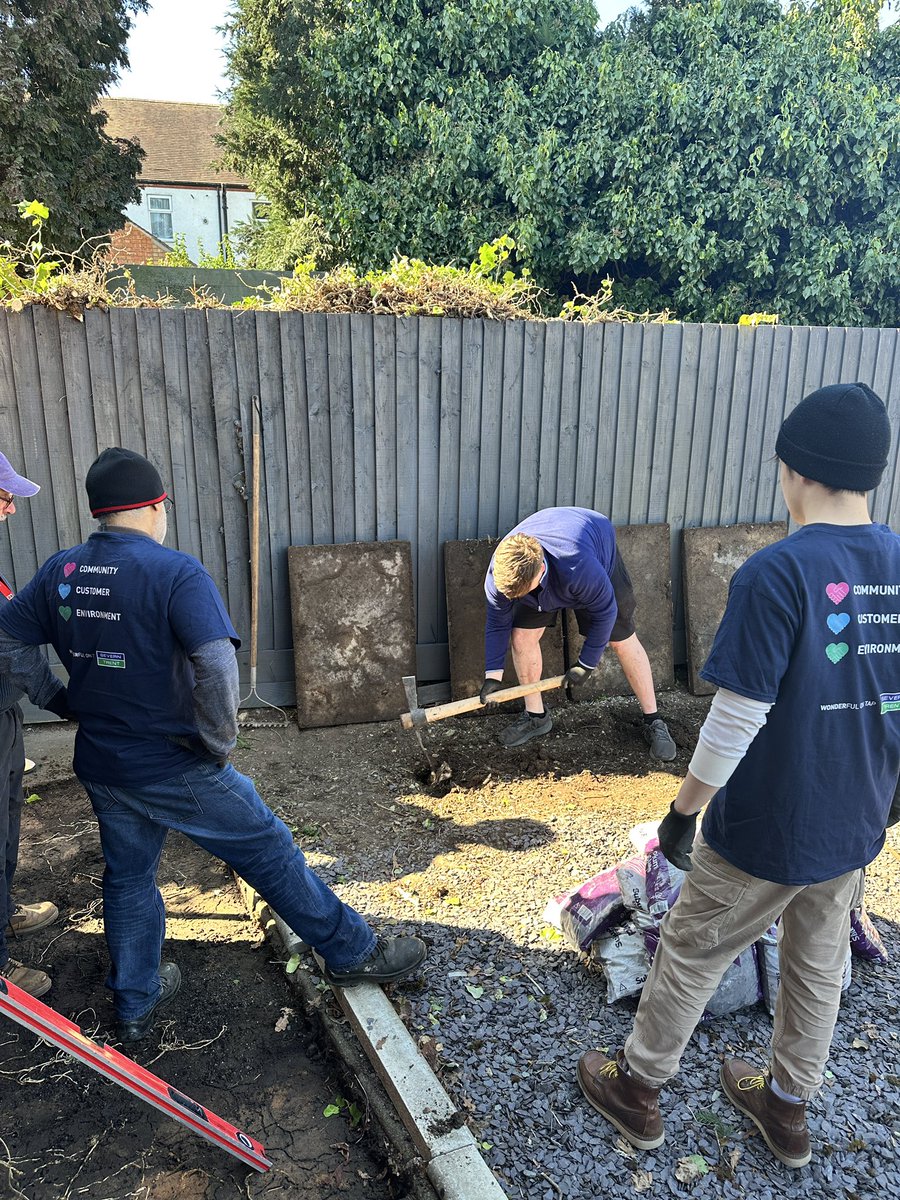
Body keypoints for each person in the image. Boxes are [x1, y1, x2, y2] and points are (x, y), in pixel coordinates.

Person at [575, 382, 900, 1170]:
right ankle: (787, 1110)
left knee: (694, 947)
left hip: (767, 823)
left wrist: (685, 812)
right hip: (855, 817)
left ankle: (638, 1088)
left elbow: (736, 717)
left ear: (794, 469)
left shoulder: (776, 573)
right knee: (818, 958)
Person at [0, 448, 426, 1042]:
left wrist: (58, 699)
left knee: (129, 876)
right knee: (272, 850)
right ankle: (353, 951)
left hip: (102, 761)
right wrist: (218, 741)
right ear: (154, 507)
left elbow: (8, 638)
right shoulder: (176, 573)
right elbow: (217, 665)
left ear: (100, 512)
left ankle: (137, 997)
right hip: (174, 763)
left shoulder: (61, 572)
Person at [480, 507, 676, 760]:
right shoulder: (501, 574)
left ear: (539, 571)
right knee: (521, 638)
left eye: (521, 593)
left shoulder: (580, 568)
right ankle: (536, 716)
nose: (514, 598)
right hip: (548, 564)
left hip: (591, 547)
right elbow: (497, 623)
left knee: (621, 640)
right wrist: (493, 675)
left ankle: (654, 720)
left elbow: (606, 613)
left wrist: (586, 664)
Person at [0, 454, 70, 998]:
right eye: (1, 496)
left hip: (4, 714)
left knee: (8, 820)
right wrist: (58, 697)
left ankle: (2, 913)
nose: (9, 507)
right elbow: (10, 646)